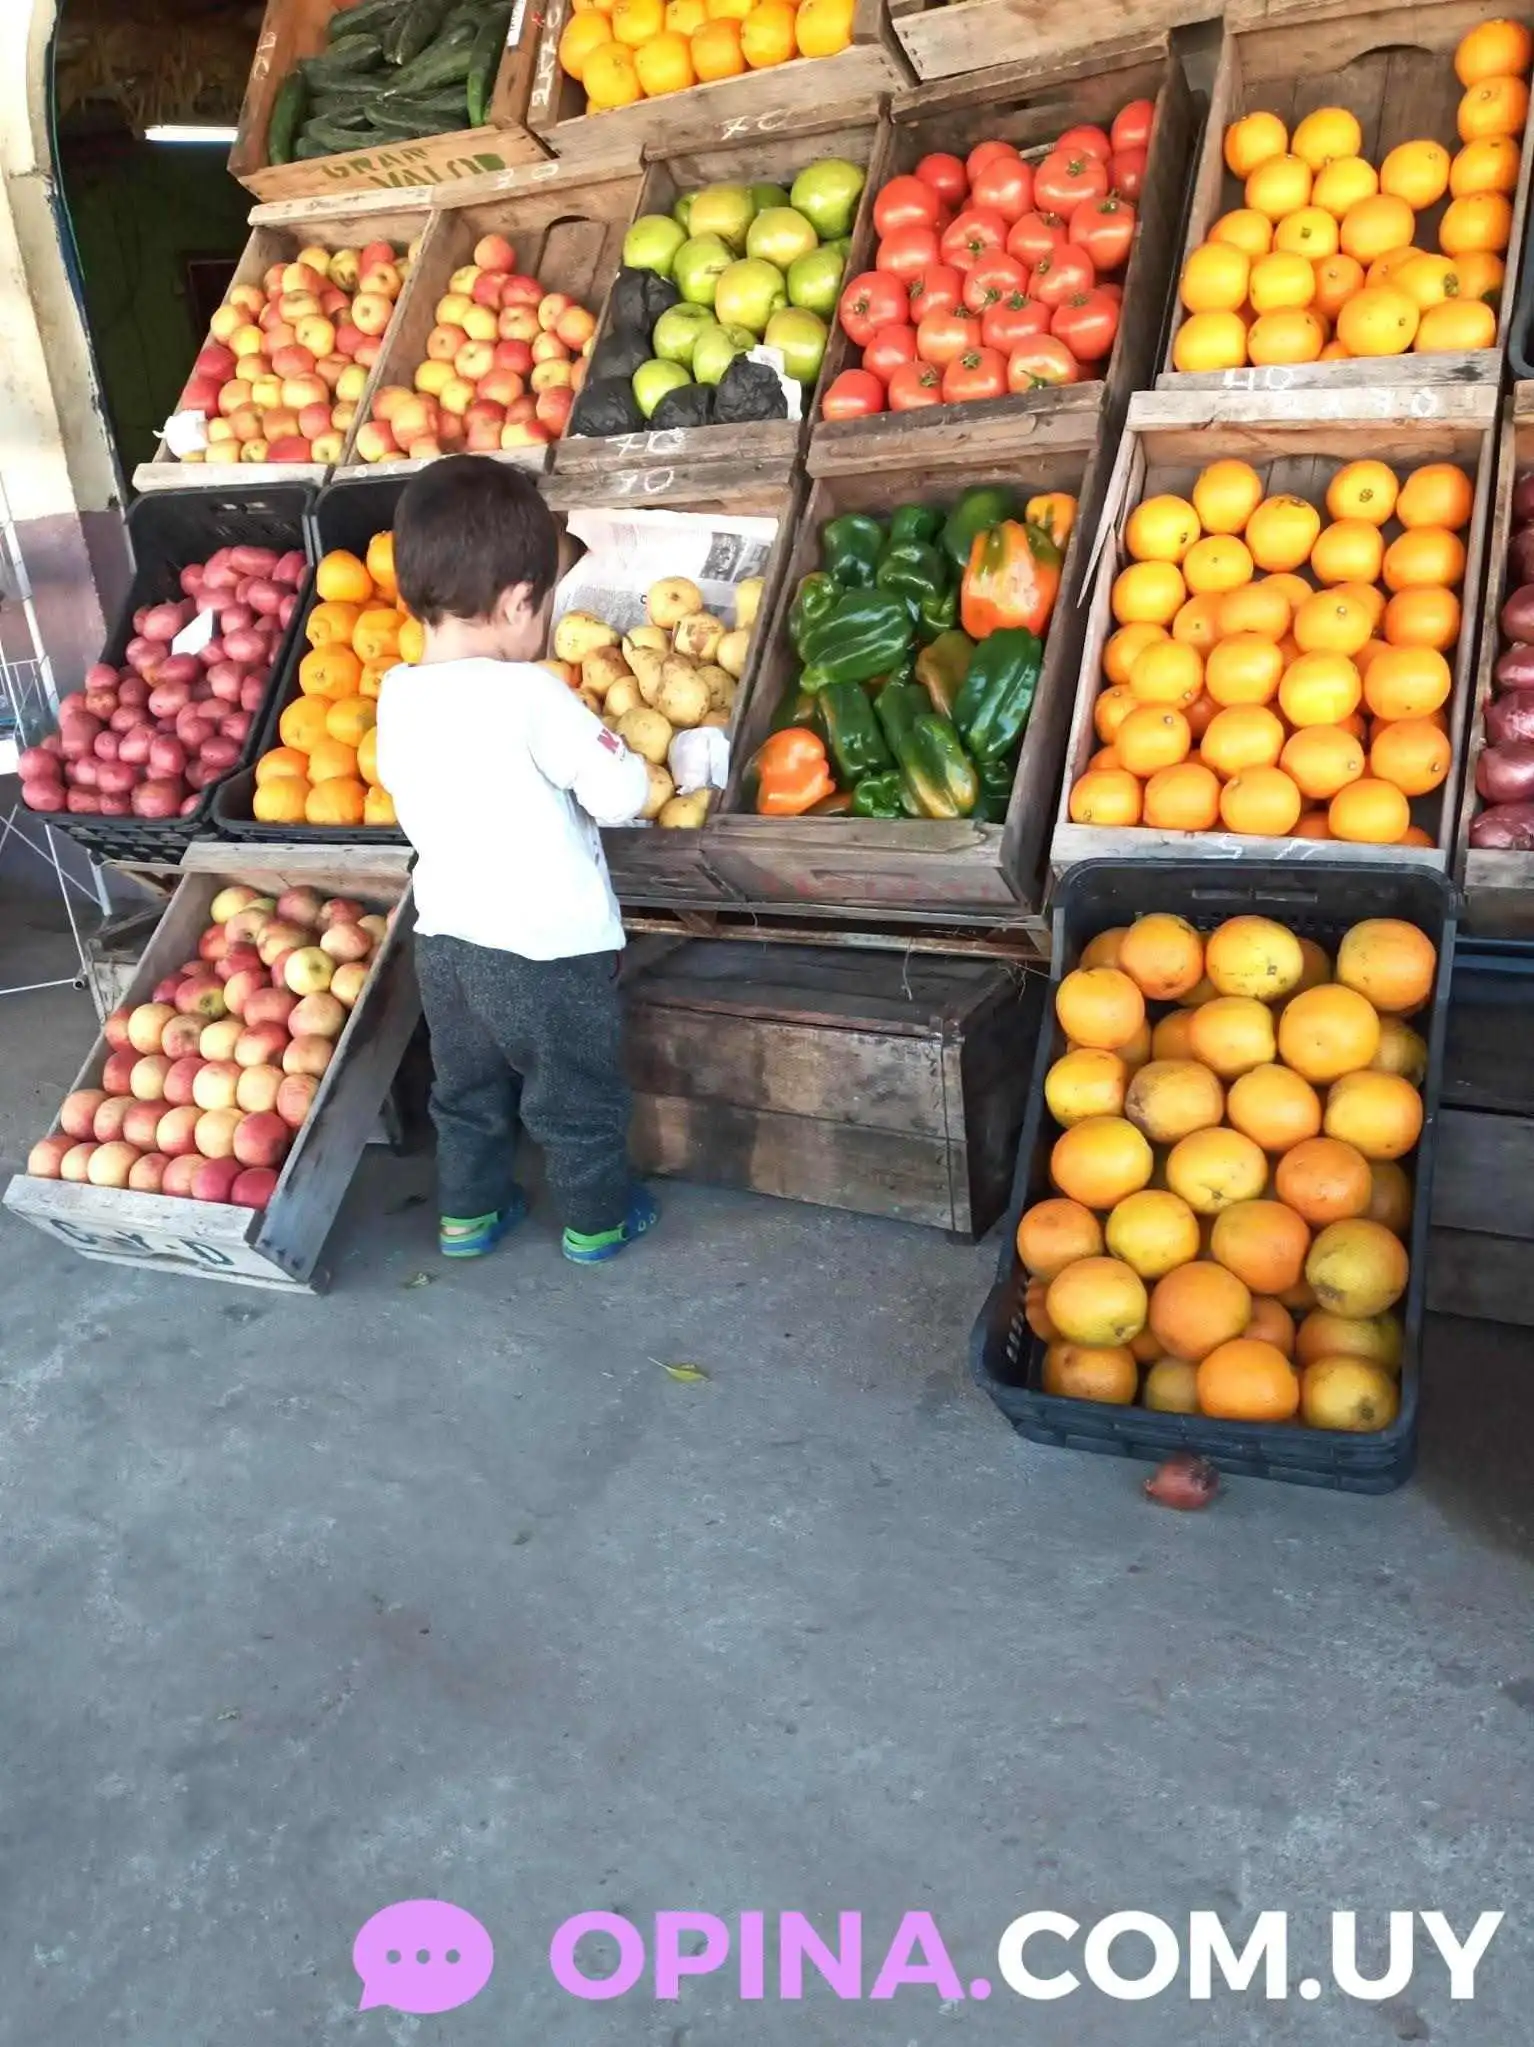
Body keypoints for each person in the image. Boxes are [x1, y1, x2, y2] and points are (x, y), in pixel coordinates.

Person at [376, 455, 658, 1265]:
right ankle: (598, 1219)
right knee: (575, 1096)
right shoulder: (532, 694)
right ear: (516, 603)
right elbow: (620, 794)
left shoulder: (397, 694)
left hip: (447, 944)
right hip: (545, 953)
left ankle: (468, 1215)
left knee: (465, 1094)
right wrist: (621, 751)